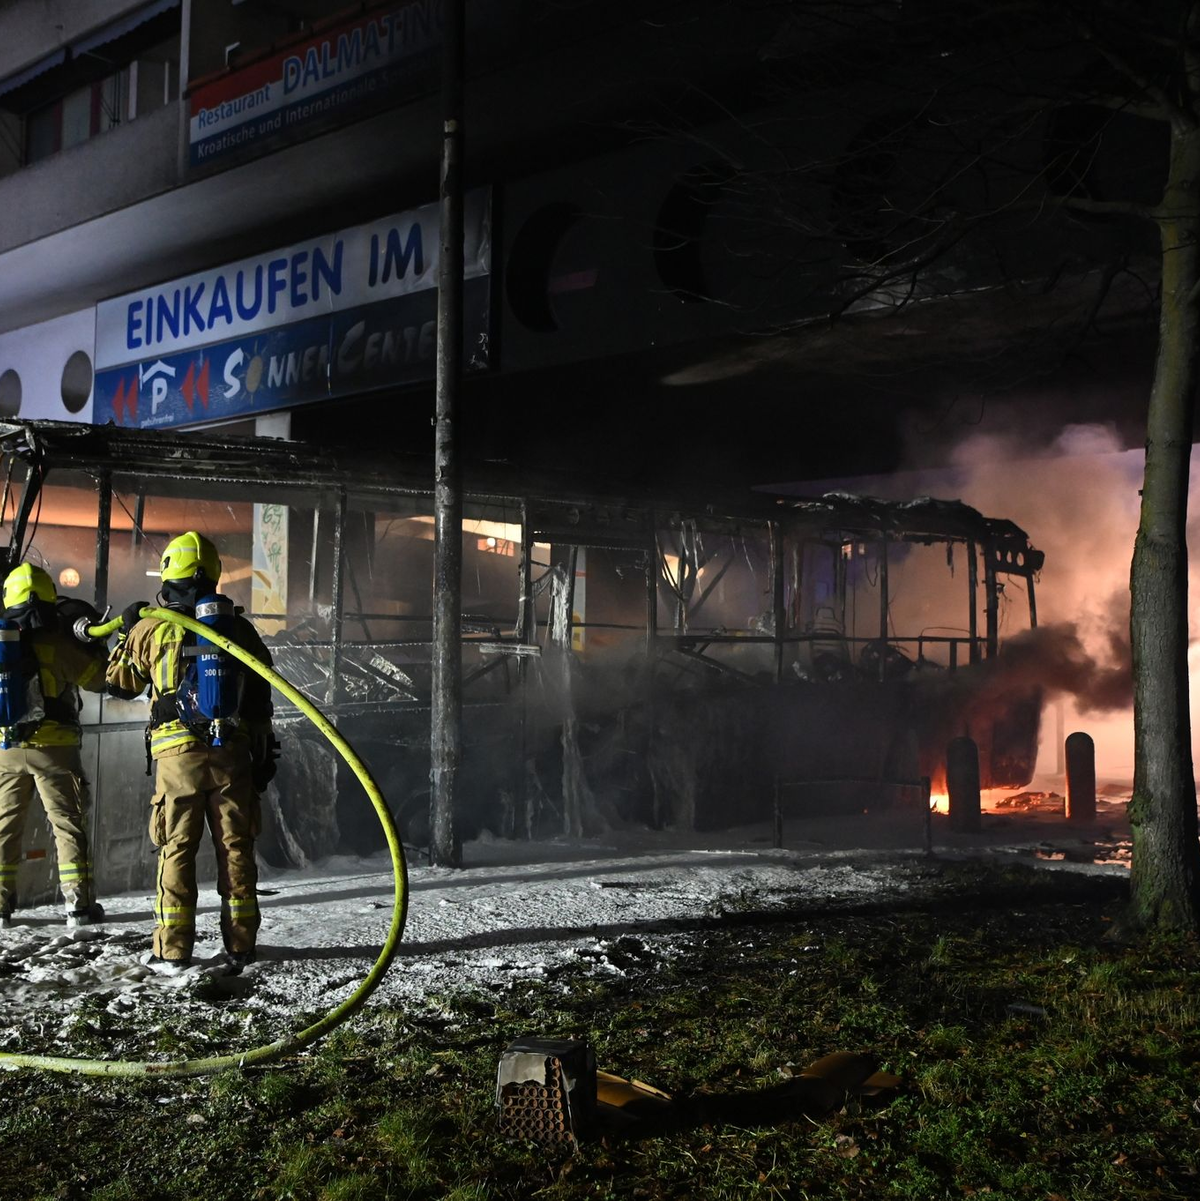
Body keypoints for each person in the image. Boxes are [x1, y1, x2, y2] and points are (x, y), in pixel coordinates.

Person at [106, 531, 277, 970]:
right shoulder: (236, 627)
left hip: (175, 755)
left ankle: (172, 950)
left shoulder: (150, 626)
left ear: (168, 570)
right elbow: (261, 695)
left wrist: (127, 631)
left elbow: (118, 685)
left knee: (176, 847)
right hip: (231, 752)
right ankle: (242, 946)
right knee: (236, 848)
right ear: (214, 572)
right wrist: (259, 752)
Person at [0, 563, 107, 929]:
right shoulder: (56, 645)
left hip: (7, 748)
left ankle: (0, 907)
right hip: (56, 749)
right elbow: (99, 680)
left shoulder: (3, 648)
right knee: (67, 826)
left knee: (4, 827)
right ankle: (78, 907)